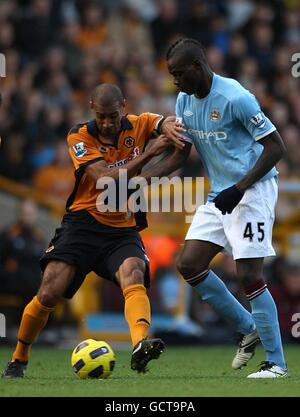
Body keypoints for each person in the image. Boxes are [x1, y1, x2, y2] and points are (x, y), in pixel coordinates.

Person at [2, 83, 184, 379]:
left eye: (113, 116)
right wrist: (149, 154)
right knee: (49, 292)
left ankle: (140, 344)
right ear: (91, 109)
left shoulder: (142, 124)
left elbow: (169, 132)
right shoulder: (79, 135)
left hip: (121, 229)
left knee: (134, 272)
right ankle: (18, 358)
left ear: (124, 106)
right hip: (82, 225)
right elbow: (105, 180)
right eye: (102, 117)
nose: (108, 123)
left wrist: (173, 129)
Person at [142, 38, 288, 378]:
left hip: (253, 190)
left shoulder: (236, 97)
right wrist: (141, 179)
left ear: (197, 67)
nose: (175, 82)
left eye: (178, 74)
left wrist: (239, 188)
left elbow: (275, 147)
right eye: (172, 76)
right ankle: (248, 327)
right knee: (189, 264)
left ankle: (277, 364)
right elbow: (181, 153)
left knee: (249, 275)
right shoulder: (184, 101)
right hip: (221, 194)